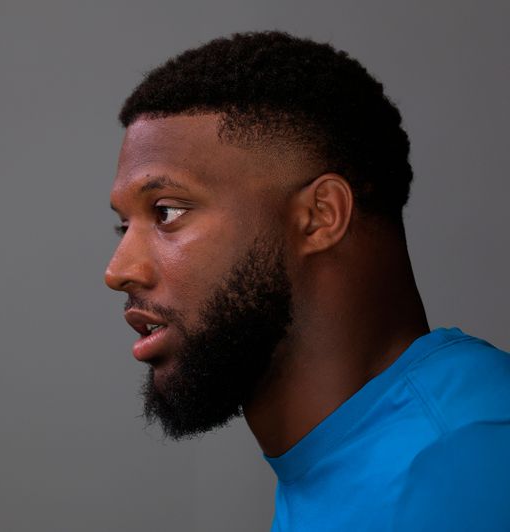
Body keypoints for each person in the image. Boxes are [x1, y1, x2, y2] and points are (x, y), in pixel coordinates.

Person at [104, 31, 510, 530]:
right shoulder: (354, 457)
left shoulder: (467, 462)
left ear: (320, 217)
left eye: (166, 211)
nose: (118, 270)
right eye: (124, 226)